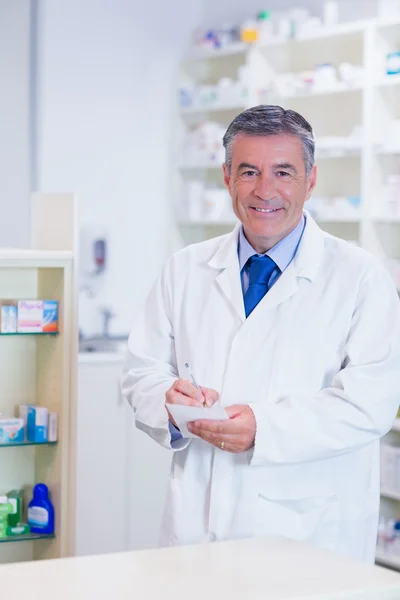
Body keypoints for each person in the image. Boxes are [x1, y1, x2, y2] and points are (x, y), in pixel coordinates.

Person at [121, 105, 400, 562]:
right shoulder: (185, 268)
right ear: (227, 177)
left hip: (309, 537)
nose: (265, 190)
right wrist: (169, 402)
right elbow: (140, 372)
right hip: (197, 528)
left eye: (284, 172)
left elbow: (369, 405)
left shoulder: (360, 278)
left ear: (310, 181)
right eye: (248, 171)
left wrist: (264, 429)